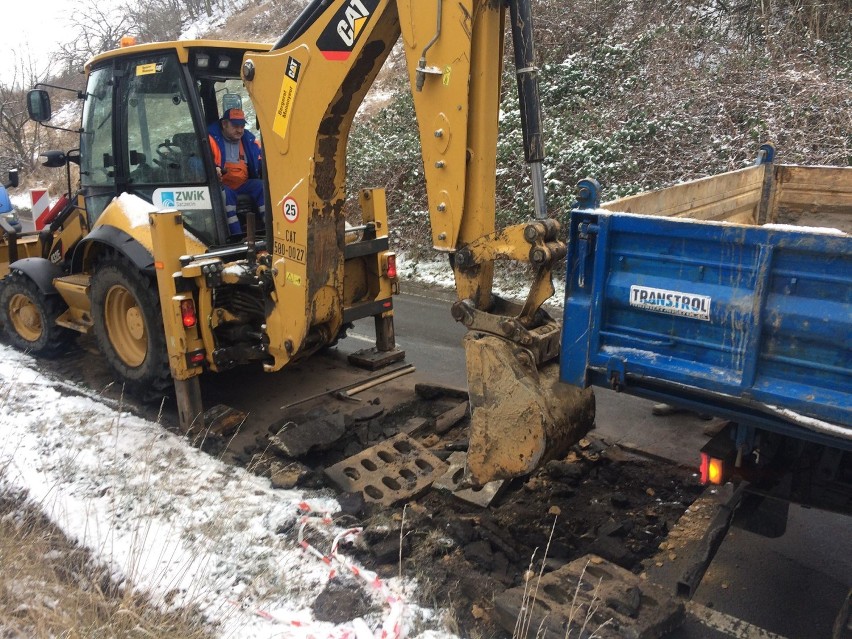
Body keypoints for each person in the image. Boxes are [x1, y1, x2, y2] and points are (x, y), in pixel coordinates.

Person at [207, 108, 264, 236]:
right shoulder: (210, 139)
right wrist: (213, 168)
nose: (239, 130)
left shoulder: (249, 140)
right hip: (223, 185)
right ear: (224, 124)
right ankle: (236, 236)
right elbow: (197, 161)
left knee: (261, 186)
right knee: (226, 196)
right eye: (235, 126)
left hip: (243, 184)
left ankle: (269, 230)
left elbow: (260, 158)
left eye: (242, 126)